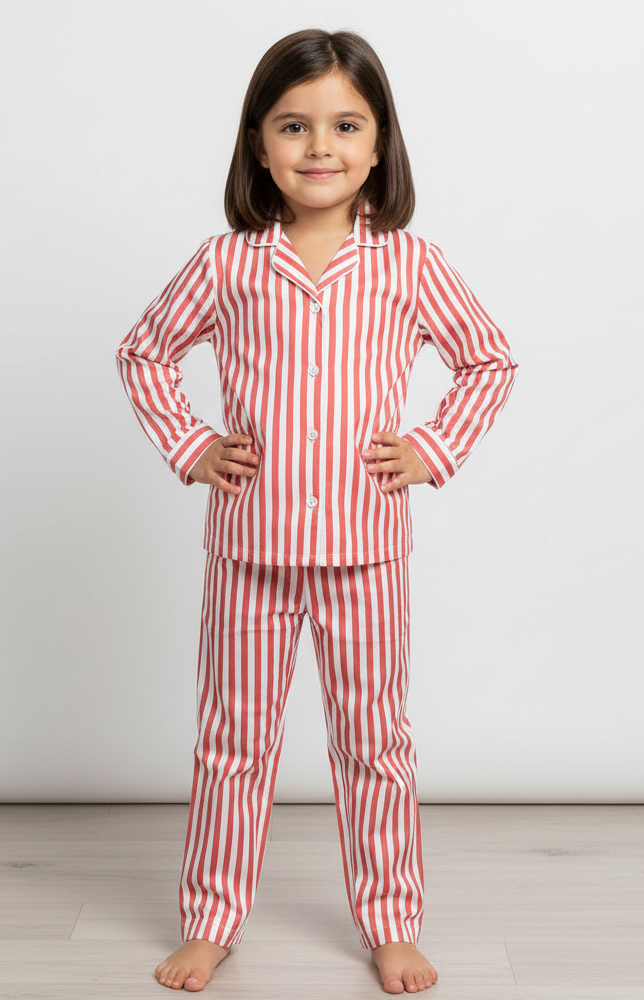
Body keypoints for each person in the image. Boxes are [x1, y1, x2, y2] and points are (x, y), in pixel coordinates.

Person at [116, 28, 518, 995]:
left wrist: (431, 447)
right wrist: (192, 445)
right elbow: (143, 354)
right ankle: (212, 921)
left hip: (366, 552)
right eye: (294, 126)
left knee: (374, 741)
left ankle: (389, 921)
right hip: (247, 551)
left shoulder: (409, 265)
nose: (320, 147)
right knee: (233, 743)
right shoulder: (226, 264)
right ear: (259, 144)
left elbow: (488, 360)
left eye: (345, 124)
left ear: (380, 144)